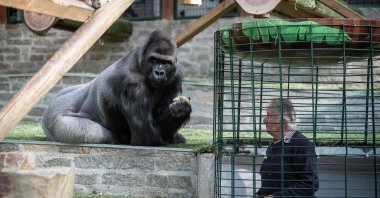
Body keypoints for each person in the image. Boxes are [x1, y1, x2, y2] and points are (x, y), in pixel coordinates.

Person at [256, 98, 319, 198]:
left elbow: (310, 183)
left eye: (269, 115)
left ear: (283, 121)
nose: (264, 120)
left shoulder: (301, 144)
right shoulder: (275, 143)